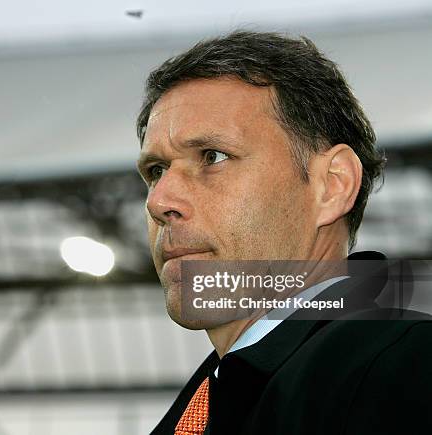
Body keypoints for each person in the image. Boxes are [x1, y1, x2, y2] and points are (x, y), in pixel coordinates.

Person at [135, 31, 432, 435]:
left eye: (213, 157)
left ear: (332, 185)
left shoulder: (404, 370)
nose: (158, 201)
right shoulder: (208, 403)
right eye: (155, 172)